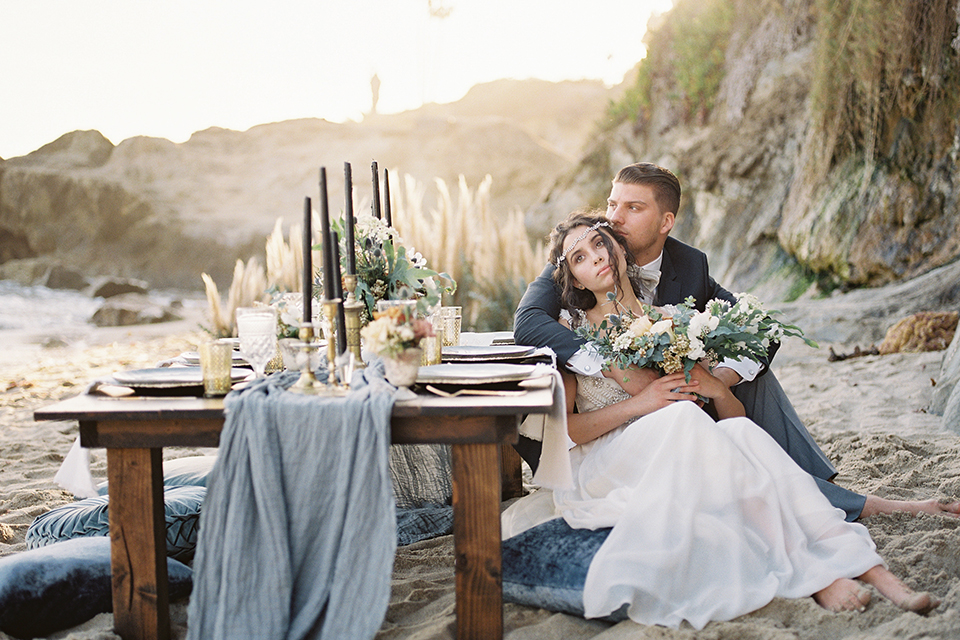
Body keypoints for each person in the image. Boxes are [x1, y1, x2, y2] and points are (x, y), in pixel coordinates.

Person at [501, 212, 940, 628]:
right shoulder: (571, 332)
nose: (595, 257)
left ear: (617, 245)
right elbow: (568, 434)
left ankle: (876, 573)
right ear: (572, 277)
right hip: (607, 459)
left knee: (741, 433)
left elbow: (731, 413)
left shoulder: (673, 321)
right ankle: (819, 577)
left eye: (599, 243)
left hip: (679, 444)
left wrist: (714, 387)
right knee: (685, 424)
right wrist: (641, 403)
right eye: (579, 257)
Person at [514, 162, 960, 522]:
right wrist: (608, 357)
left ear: (666, 221)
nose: (613, 218)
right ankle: (822, 494)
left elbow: (757, 326)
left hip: (679, 404)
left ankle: (818, 486)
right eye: (612, 204)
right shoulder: (581, 259)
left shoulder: (688, 265)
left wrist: (716, 379)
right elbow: (528, 320)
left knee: (752, 378)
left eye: (633, 208)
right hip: (615, 430)